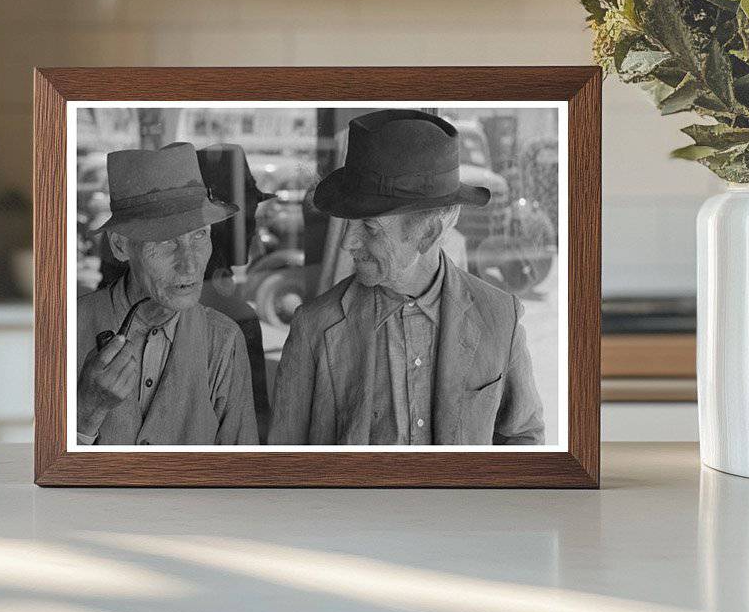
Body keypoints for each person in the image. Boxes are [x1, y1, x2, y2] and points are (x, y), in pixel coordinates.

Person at [268, 109, 545, 446]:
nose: (347, 242)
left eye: (369, 227)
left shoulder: (500, 317)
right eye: (348, 223)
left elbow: (523, 439)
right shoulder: (314, 328)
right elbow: (286, 464)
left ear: (427, 234)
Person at [76, 143, 257, 446]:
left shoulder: (224, 340)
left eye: (199, 235)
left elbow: (242, 473)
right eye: (165, 241)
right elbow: (37, 464)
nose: (189, 263)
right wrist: (86, 411)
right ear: (121, 245)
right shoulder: (67, 327)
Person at [196, 143, 275, 443]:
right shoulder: (232, 318)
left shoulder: (227, 306)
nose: (253, 227)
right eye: (246, 214)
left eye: (252, 213)